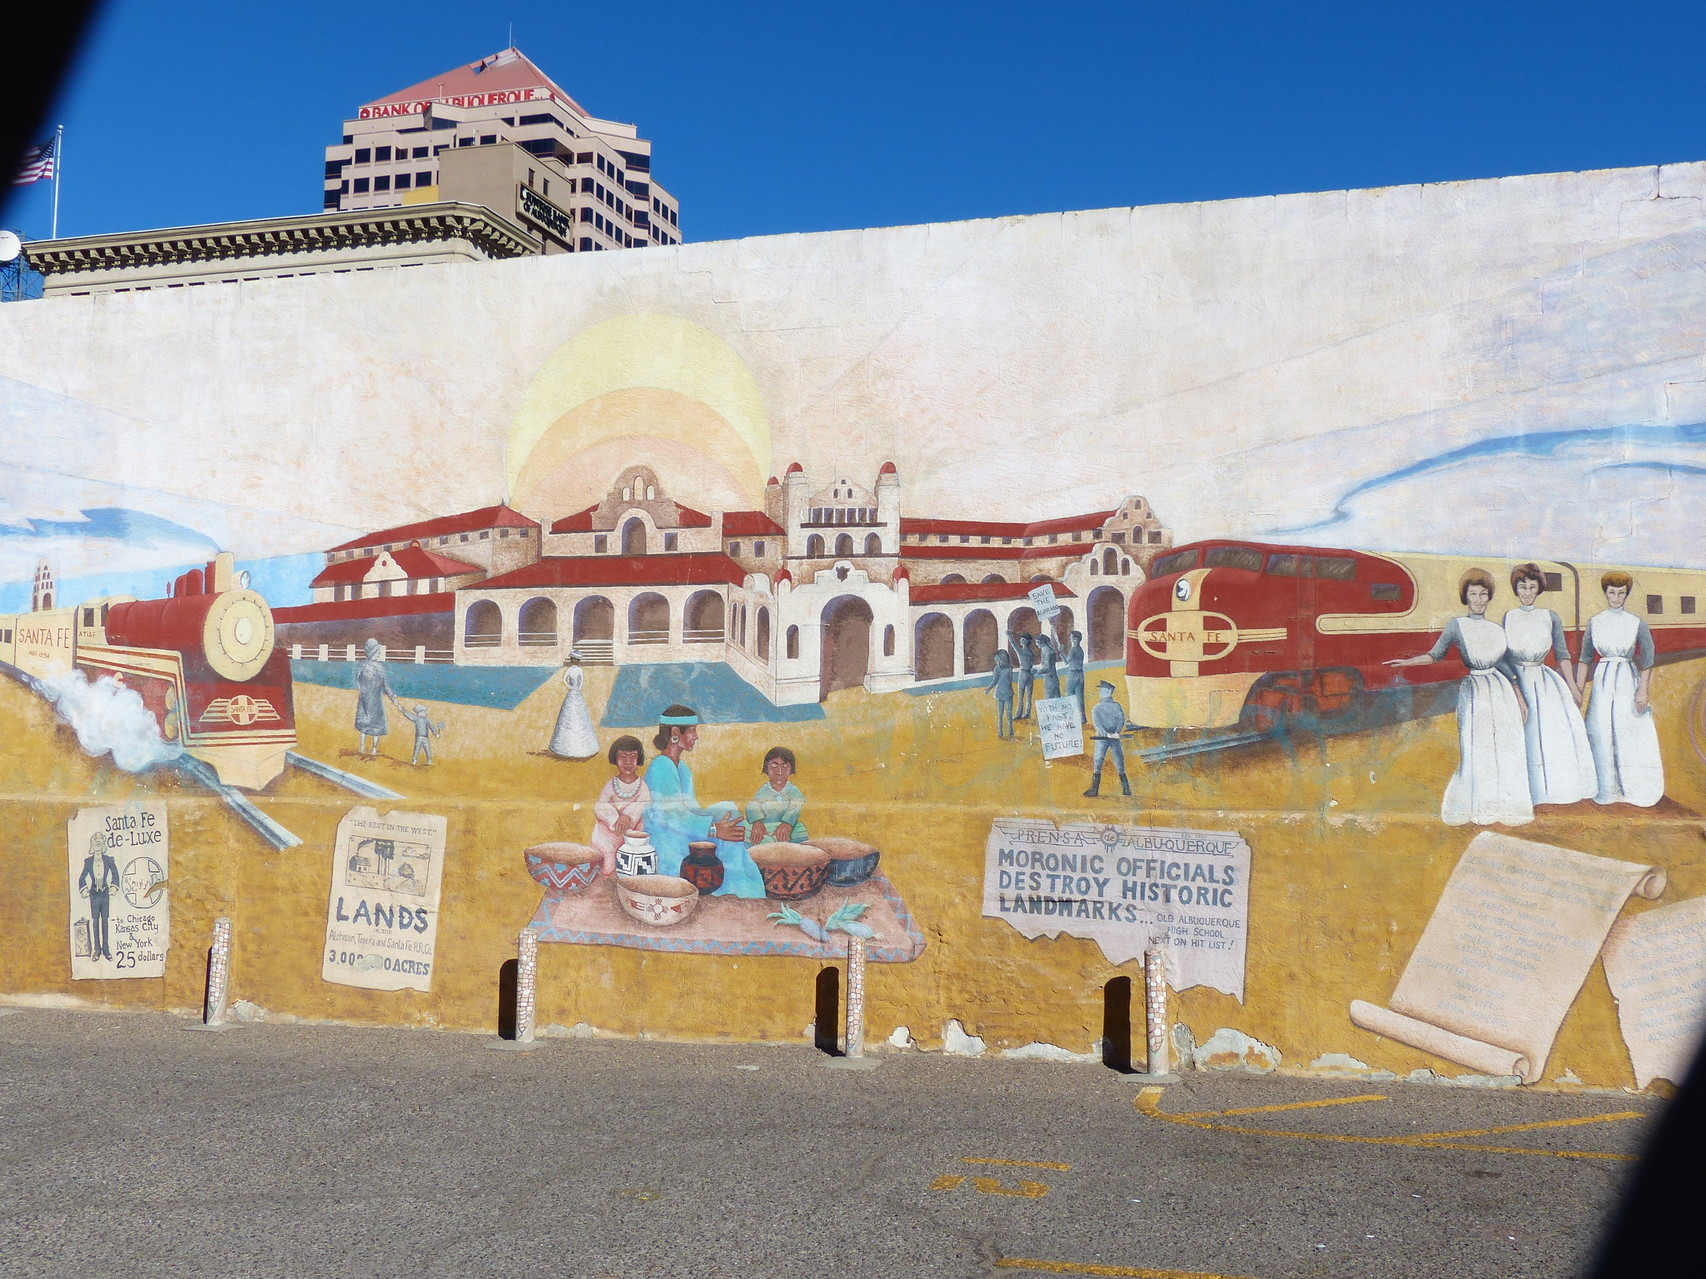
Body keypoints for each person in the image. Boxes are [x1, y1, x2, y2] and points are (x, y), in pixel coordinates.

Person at [1386, 568, 1532, 826]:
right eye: (1473, 594)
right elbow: (1436, 654)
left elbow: (1506, 666)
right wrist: (1409, 662)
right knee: (1477, 748)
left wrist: (1520, 698)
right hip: (1475, 692)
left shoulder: (1496, 628)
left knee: (1506, 747)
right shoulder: (1456, 625)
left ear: (1489, 597)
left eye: (1483, 594)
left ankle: (1507, 807)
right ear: (1465, 597)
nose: (1478, 599)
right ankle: (1479, 809)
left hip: (1501, 692)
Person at [643, 704, 764, 897]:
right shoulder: (659, 767)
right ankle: (735, 885)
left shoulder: (682, 768)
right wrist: (714, 829)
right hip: (668, 841)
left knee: (727, 809)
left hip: (683, 829)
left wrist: (718, 824)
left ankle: (737, 880)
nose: (696, 736)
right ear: (675, 732)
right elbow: (671, 816)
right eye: (692, 730)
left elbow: (691, 809)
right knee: (721, 826)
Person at [1503, 563, 1595, 805]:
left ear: (1538, 589)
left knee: (1550, 735)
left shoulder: (1549, 616)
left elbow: (1562, 654)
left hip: (1543, 682)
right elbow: (1504, 656)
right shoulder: (1508, 617)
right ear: (1516, 588)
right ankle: (1523, 794)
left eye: (1532, 587)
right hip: (1516, 681)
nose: (1527, 592)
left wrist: (1574, 687)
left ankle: (1550, 792)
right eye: (1523, 587)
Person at [1578, 571, 1664, 806]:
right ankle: (1607, 789)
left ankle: (1633, 788)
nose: (1616, 597)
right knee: (1601, 729)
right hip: (1603, 681)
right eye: (1612, 592)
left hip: (1627, 678)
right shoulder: (1595, 622)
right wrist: (1579, 690)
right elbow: (1585, 658)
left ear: (1627, 594)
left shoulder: (1636, 622)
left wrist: (1642, 690)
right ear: (1605, 593)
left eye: (1621, 593)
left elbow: (1647, 658)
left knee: (1628, 730)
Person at [592, 735, 651, 875]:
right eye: (623, 757)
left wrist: (627, 816)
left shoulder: (642, 786)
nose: (628, 762)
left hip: (632, 832)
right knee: (605, 854)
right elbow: (600, 805)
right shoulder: (611, 784)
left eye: (632, 756)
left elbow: (643, 804)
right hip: (611, 831)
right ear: (615, 758)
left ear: (639, 759)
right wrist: (614, 819)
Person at [746, 746, 809, 844]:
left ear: (791, 768)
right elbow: (753, 806)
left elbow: (795, 807)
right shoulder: (764, 790)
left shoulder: (793, 791)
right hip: (765, 828)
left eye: (785, 766)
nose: (780, 771)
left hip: (787, 829)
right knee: (748, 832)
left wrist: (787, 824)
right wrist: (757, 822)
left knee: (801, 831)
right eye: (774, 765)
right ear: (766, 767)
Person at [354, 637, 402, 757]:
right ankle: (373, 750)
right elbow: (386, 686)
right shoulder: (379, 668)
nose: (380, 654)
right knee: (376, 728)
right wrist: (394, 699)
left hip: (364, 700)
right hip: (375, 702)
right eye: (378, 652)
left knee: (364, 726)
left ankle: (362, 748)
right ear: (372, 653)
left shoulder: (362, 666)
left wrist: (364, 692)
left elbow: (358, 682)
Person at [1084, 681, 1131, 797]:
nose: (1101, 692)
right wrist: (1113, 733)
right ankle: (1097, 789)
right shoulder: (1102, 708)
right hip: (1105, 737)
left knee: (1101, 760)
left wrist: (1114, 733)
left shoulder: (1100, 708)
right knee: (1111, 760)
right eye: (1101, 690)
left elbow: (1120, 720)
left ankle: (1125, 789)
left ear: (1109, 692)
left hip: (1105, 737)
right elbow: (1099, 724)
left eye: (1103, 690)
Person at [77, 831, 119, 962]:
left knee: (105, 921)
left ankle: (106, 950)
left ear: (103, 844)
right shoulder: (88, 862)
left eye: (100, 840)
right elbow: (82, 877)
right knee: (95, 921)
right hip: (94, 895)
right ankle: (97, 949)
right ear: (92, 844)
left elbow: (116, 874)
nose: (98, 843)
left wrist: (113, 887)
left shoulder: (109, 860)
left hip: (105, 894)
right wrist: (84, 889)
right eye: (95, 841)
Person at [548, 654, 599, 759]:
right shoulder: (579, 670)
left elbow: (564, 680)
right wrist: (577, 688)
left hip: (572, 692)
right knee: (579, 717)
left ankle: (564, 749)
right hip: (576, 692)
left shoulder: (570, 670)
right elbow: (581, 682)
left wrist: (571, 687)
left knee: (570, 716)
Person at [985, 650, 1016, 740]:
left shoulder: (998, 669)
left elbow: (995, 681)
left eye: (996, 657)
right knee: (1006, 713)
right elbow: (1009, 680)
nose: (995, 659)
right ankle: (1007, 731)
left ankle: (1002, 731)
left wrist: (988, 689)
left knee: (1001, 714)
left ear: (1000, 658)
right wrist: (989, 689)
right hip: (1007, 692)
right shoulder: (1009, 668)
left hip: (1001, 692)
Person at [1064, 631, 1087, 724]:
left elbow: (1067, 661)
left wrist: (1061, 652)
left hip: (1073, 673)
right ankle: (1082, 718)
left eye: (1071, 637)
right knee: (1079, 697)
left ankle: (1071, 717)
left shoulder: (1073, 649)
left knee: (1070, 695)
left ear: (1075, 639)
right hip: (1080, 674)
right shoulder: (1080, 649)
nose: (1070, 639)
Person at [1013, 633, 1036, 720]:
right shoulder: (1031, 652)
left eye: (1022, 640)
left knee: (1021, 695)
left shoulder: (1021, 652)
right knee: (1029, 695)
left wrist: (1010, 636)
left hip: (1023, 673)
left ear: (1025, 642)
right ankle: (1027, 713)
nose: (1020, 641)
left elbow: (1013, 644)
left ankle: (1019, 714)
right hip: (1030, 673)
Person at [1036, 631, 1063, 701]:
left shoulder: (1047, 651)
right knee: (1056, 698)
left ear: (1041, 642)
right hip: (1052, 677)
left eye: (1037, 642)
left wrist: (1037, 671)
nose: (1036, 644)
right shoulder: (1048, 649)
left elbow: (1047, 668)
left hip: (1049, 678)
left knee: (1049, 699)